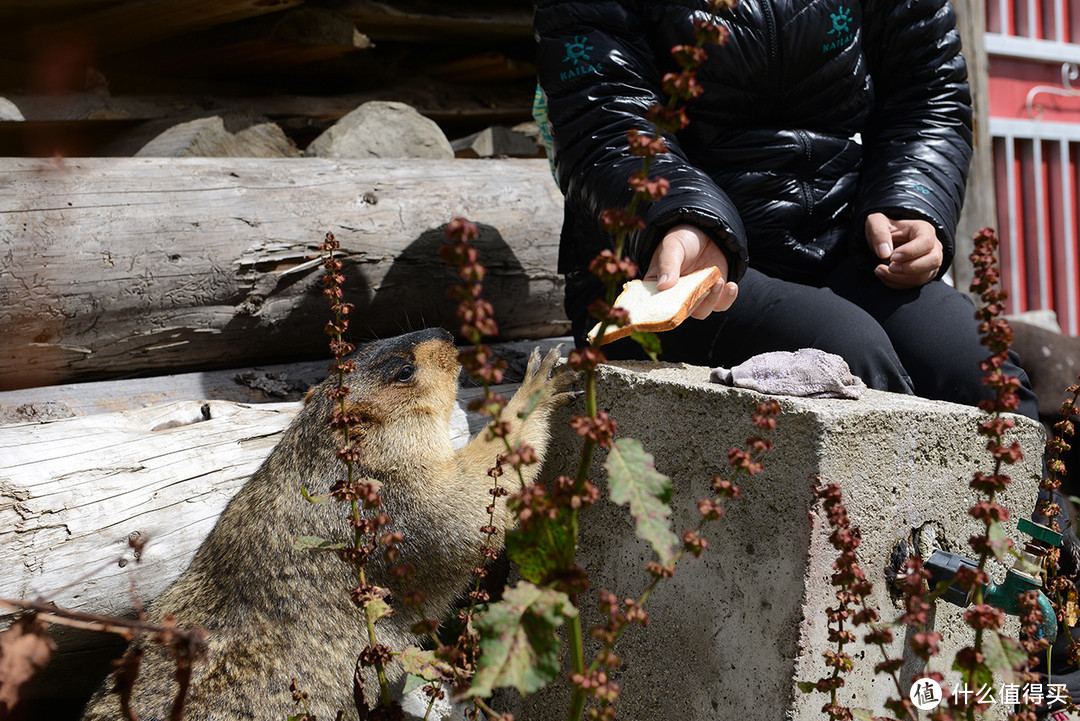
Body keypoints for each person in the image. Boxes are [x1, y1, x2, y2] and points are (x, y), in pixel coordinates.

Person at [534, 1, 1078, 714]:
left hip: (844, 241)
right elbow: (601, 116)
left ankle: (1040, 631)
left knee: (984, 367)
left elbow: (928, 86)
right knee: (852, 359)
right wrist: (686, 217)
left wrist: (910, 199)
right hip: (683, 263)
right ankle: (897, 654)